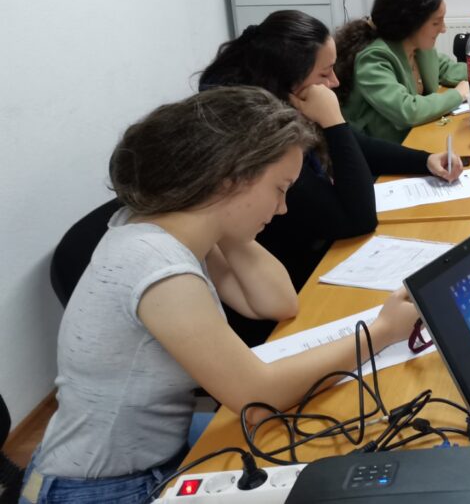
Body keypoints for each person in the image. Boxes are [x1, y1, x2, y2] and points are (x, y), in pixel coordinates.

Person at [21, 87, 419, 503]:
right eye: (279, 188)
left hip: (152, 456)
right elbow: (257, 400)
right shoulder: (158, 266)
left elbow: (278, 303)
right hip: (102, 488)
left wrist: (227, 221)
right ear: (230, 179)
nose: (283, 208)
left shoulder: (172, 226)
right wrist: (382, 332)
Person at [199, 10, 461, 344]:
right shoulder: (258, 139)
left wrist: (424, 160)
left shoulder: (277, 98)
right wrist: (333, 122)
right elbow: (356, 219)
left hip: (303, 268)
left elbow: (355, 145)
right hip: (287, 293)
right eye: (324, 74)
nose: (335, 82)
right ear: (289, 80)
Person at [336, 0, 467, 144]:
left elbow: (448, 69)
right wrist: (458, 94)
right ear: (410, 23)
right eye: (436, 23)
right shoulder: (374, 59)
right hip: (382, 152)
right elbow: (407, 111)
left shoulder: (418, 48)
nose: (443, 29)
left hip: (415, 137)